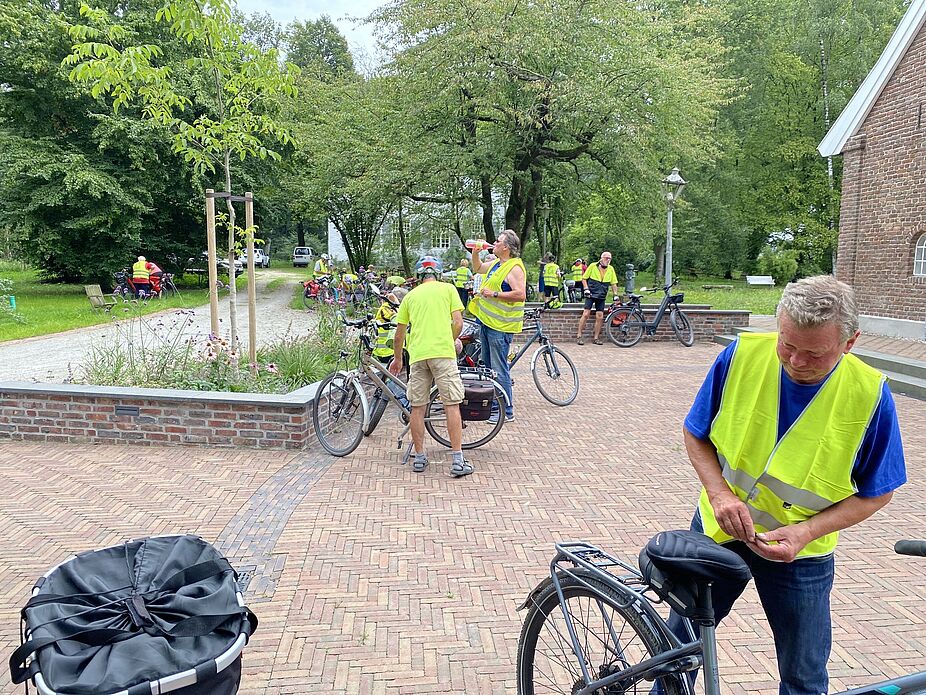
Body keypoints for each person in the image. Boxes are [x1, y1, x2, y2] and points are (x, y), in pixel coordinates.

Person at [662, 275, 906, 695]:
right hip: (719, 528)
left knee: (804, 675)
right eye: (787, 344)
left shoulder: (869, 395)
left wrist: (806, 531)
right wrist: (719, 494)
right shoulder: (740, 355)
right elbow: (695, 432)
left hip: (800, 551)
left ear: (849, 343)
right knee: (678, 650)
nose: (796, 361)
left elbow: (878, 491)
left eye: (815, 354)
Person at [389, 257, 472, 477]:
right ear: (439, 273)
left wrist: (397, 359)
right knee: (451, 404)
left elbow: (399, 335)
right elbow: (458, 322)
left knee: (417, 407)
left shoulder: (410, 296)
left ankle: (419, 457)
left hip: (418, 356)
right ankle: (457, 461)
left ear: (419, 276)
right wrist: (449, 340)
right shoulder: (448, 289)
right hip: (443, 355)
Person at [468, 229, 527, 423]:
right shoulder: (496, 264)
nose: (494, 243)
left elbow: (520, 294)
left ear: (506, 247)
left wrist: (494, 294)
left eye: (498, 241)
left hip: (500, 327)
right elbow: (478, 268)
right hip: (487, 323)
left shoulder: (514, 268)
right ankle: (494, 407)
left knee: (499, 369)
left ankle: (506, 411)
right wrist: (475, 253)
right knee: (488, 368)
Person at [575, 251, 619, 345]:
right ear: (601, 258)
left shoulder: (611, 269)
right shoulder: (593, 266)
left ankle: (596, 338)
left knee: (600, 316)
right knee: (586, 314)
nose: (608, 260)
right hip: (591, 293)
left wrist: (615, 294)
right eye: (606, 258)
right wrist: (586, 289)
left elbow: (614, 283)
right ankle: (579, 336)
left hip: (601, 295)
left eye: (610, 258)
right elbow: (584, 278)